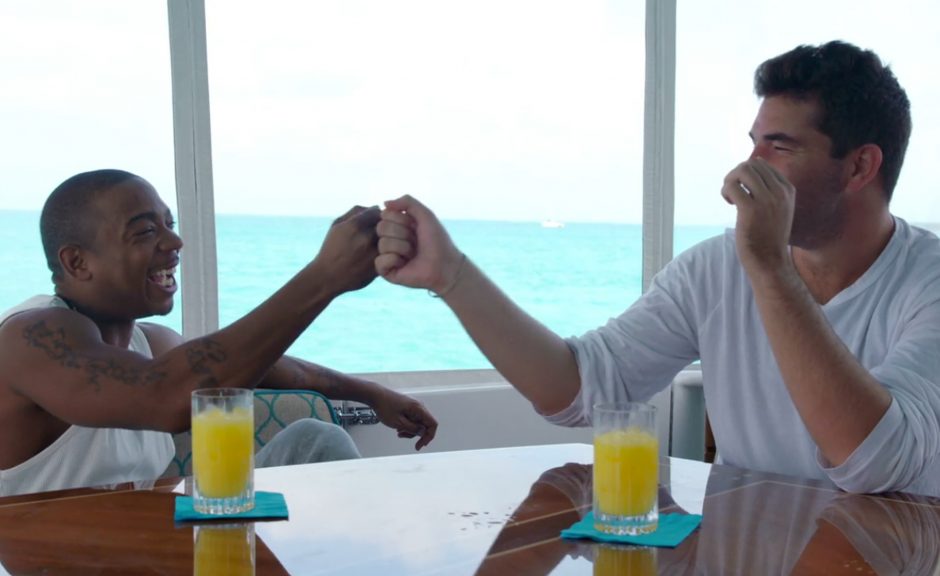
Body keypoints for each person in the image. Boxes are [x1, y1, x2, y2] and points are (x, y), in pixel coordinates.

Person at [374, 40, 940, 495]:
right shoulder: (714, 269)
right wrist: (453, 276)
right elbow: (581, 390)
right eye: (753, 143)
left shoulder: (926, 282)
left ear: (860, 167)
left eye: (780, 147)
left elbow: (875, 462)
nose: (747, 167)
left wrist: (770, 270)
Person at [0, 169, 437, 497]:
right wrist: (323, 277)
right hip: (52, 561)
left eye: (169, 225)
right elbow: (166, 397)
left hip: (148, 547)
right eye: (146, 231)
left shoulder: (150, 345)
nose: (174, 243)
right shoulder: (30, 338)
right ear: (77, 262)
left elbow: (269, 367)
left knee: (313, 440)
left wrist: (371, 394)